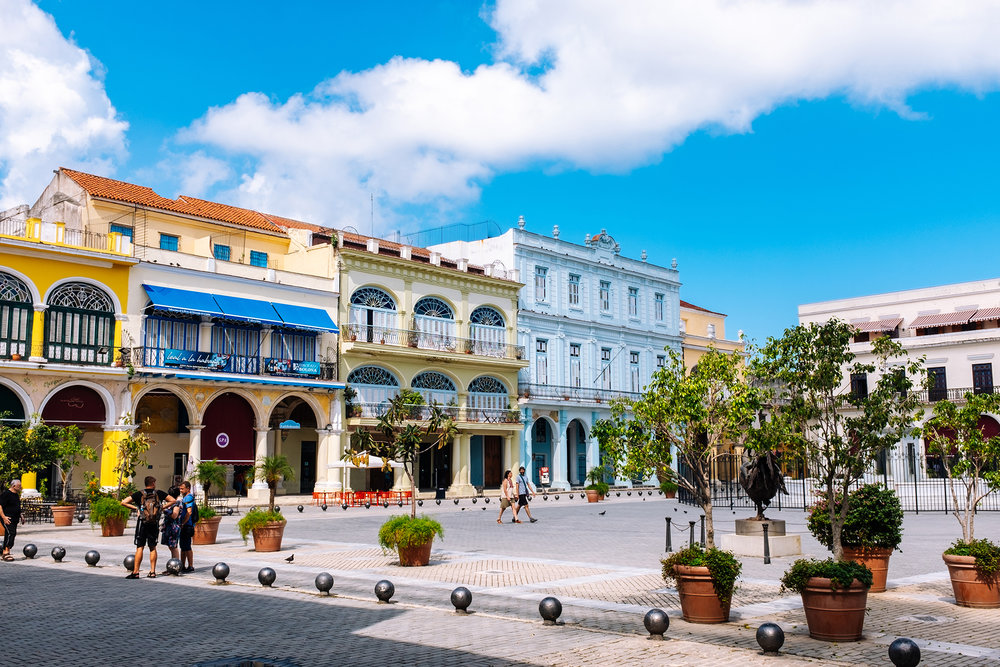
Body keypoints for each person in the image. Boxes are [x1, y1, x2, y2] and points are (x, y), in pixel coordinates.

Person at [121, 476, 172, 578]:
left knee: (140, 547)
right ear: (153, 483)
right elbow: (173, 500)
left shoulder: (139, 494)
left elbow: (123, 502)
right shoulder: (159, 493)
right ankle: (152, 572)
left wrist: (136, 508)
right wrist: (161, 507)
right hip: (154, 523)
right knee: (152, 547)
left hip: (142, 523)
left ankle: (136, 572)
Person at [159, 485, 183, 570]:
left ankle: (175, 566)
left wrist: (165, 510)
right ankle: (173, 565)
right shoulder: (170, 502)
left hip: (173, 527)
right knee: (170, 546)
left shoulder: (177, 503)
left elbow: (174, 515)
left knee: (173, 546)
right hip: (168, 526)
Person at [0, 480, 23, 561]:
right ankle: (6, 552)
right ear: (13, 486)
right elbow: (0, 505)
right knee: (10, 533)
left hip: (15, 518)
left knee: (10, 534)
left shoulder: (16, 495)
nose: (20, 487)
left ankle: (5, 551)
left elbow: (17, 507)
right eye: (19, 485)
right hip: (7, 518)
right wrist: (3, 517)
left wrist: (21, 515)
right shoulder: (6, 494)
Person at [178, 480, 196, 573]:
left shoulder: (188, 498)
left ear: (188, 488)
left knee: (187, 546)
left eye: (182, 488)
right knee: (183, 546)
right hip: (185, 525)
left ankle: (190, 566)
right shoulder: (186, 497)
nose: (180, 490)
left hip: (187, 525)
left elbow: (189, 512)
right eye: (180, 488)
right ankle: (183, 565)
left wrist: (183, 523)